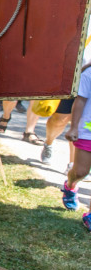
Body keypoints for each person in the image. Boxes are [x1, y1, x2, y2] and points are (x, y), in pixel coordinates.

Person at [61, 64, 91, 232]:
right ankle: (70, 185)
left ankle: (90, 214)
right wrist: (73, 128)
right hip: (88, 131)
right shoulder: (89, 73)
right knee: (80, 172)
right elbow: (80, 101)